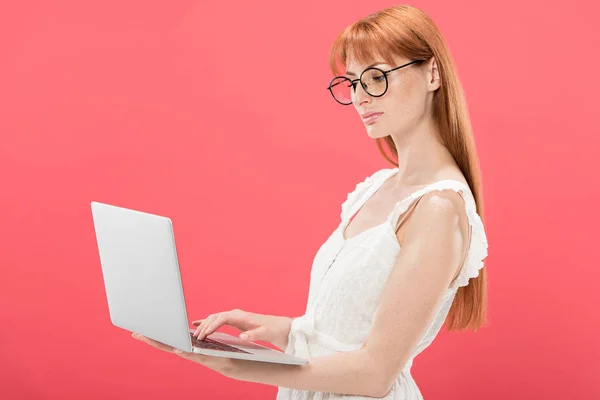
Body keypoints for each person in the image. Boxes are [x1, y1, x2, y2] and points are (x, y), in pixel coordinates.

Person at [134, 4, 489, 399]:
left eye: (377, 77)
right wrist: (283, 331)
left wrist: (239, 366)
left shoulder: (438, 208)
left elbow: (375, 374)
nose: (360, 97)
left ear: (432, 73)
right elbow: (344, 331)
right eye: (352, 82)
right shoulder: (378, 187)